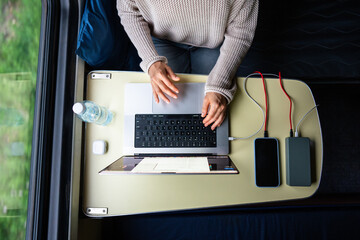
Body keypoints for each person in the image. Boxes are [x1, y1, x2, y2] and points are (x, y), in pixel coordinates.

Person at [117, 0, 258, 130]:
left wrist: (219, 85)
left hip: (214, 41)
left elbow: (241, 32)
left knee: (210, 116)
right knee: (168, 120)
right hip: (162, 38)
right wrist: (151, 61)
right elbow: (129, 11)